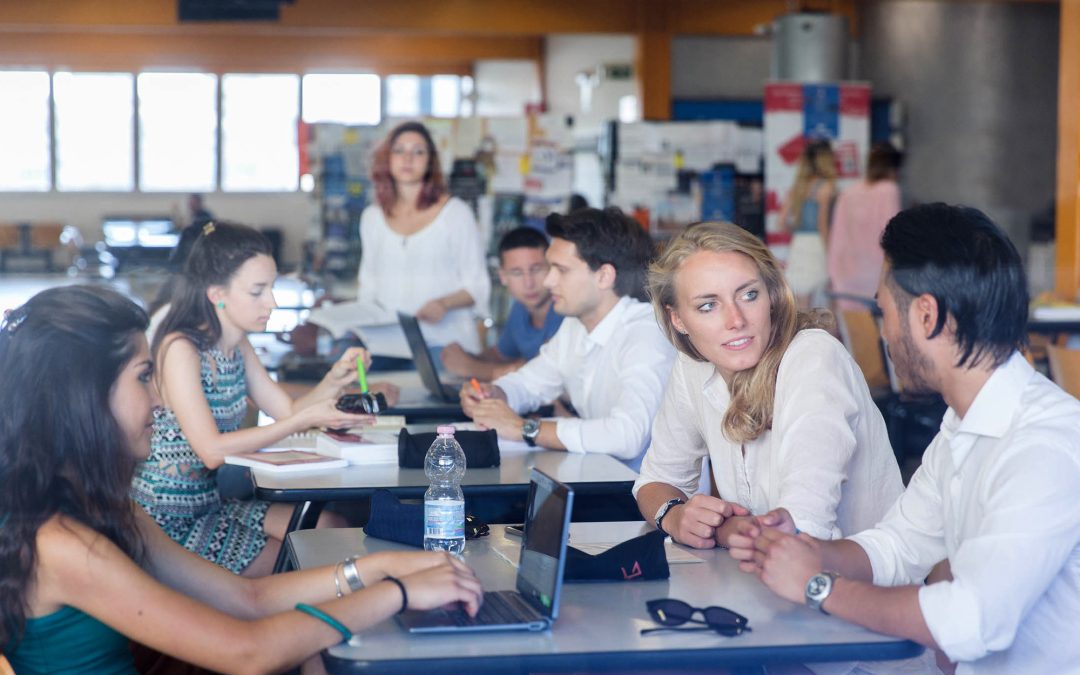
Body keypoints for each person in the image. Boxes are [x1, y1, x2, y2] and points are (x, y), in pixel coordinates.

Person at [0, 285, 482, 674]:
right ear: (85, 397)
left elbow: (248, 599)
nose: (159, 401)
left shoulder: (104, 508)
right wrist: (397, 593)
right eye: (144, 377)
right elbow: (247, 652)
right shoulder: (62, 543)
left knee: (318, 649)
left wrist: (377, 569)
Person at [736, 204, 1080, 673]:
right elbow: (898, 547)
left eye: (883, 311)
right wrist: (803, 549)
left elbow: (970, 620)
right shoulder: (964, 424)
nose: (885, 333)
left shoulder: (1044, 444)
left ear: (926, 315)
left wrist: (818, 587)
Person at [634, 221, 903, 552]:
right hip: (763, 582)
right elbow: (656, 482)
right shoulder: (694, 363)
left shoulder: (815, 359)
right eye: (708, 305)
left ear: (772, 295)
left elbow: (799, 531)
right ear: (677, 319)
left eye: (749, 295)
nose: (736, 320)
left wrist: (721, 530)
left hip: (852, 592)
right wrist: (675, 516)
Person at [132, 222, 372, 577]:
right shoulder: (181, 348)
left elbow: (287, 410)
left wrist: (334, 379)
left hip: (210, 505)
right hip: (169, 519)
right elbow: (211, 450)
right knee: (300, 558)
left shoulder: (236, 344)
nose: (271, 302)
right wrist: (300, 422)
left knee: (331, 527)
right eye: (258, 291)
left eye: (272, 287)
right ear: (217, 293)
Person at [460, 207, 675, 470]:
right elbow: (530, 383)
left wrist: (526, 429)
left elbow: (627, 436)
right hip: (599, 481)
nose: (548, 281)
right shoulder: (576, 324)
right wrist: (494, 394)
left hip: (650, 504)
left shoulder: (647, 334)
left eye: (561, 270)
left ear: (604, 276)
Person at [358, 121, 491, 355]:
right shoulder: (372, 217)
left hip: (444, 345)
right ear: (386, 159)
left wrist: (444, 304)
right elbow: (368, 285)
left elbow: (478, 286)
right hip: (385, 346)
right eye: (399, 150)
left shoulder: (456, 214)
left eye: (418, 152)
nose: (407, 158)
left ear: (431, 161)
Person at [440, 227, 563, 380]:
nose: (528, 283)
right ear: (503, 277)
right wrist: (465, 358)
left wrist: (469, 367)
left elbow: (542, 373)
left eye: (536, 269)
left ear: (552, 268)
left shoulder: (565, 308)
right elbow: (500, 355)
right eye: (517, 273)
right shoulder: (520, 308)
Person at [828, 142, 903, 312]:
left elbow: (837, 237)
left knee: (853, 336)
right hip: (876, 277)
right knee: (876, 337)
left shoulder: (848, 192)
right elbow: (892, 235)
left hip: (845, 278)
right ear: (892, 168)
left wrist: (833, 274)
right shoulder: (889, 190)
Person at [777, 139, 837, 308]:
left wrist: (798, 229)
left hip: (798, 244)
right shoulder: (826, 187)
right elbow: (822, 223)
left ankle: (801, 333)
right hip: (817, 244)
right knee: (820, 301)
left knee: (800, 300)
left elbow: (781, 222)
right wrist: (830, 251)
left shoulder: (798, 187)